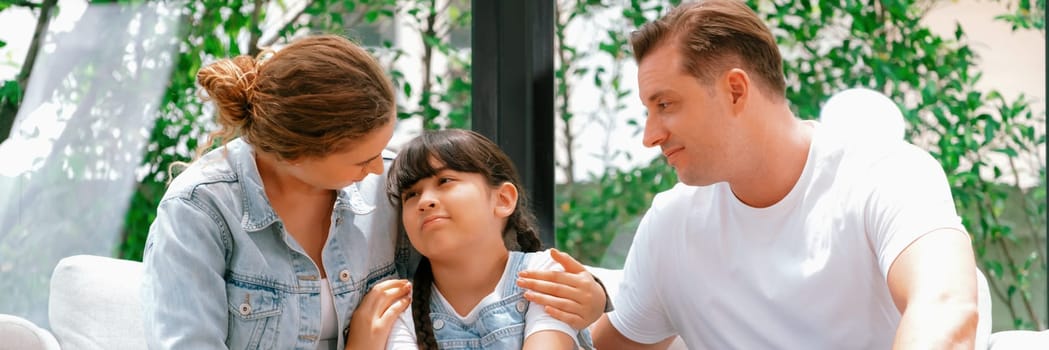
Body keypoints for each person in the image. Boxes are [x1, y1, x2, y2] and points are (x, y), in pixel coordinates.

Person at [140, 34, 607, 350]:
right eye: (362, 159)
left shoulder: (387, 185)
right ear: (296, 153)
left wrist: (594, 298)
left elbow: (483, 260)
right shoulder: (200, 211)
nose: (381, 171)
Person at [578, 1, 978, 348]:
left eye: (665, 104)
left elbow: (946, 309)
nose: (650, 137)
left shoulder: (885, 173)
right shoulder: (671, 225)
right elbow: (614, 343)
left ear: (735, 90)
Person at [383, 129, 594, 349]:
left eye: (445, 181)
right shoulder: (401, 309)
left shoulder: (545, 274)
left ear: (503, 199)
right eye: (411, 194)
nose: (425, 201)